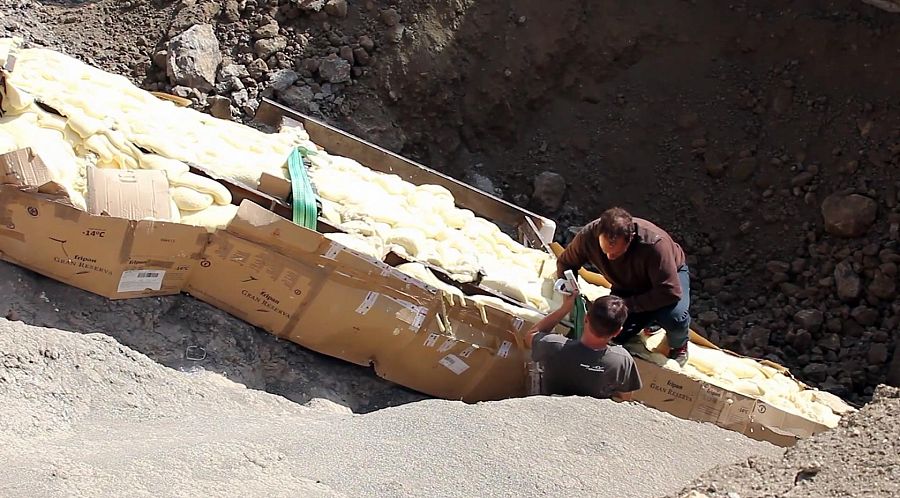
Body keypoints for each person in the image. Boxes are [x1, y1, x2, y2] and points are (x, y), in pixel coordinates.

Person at [556, 207, 692, 366]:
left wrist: (628, 306)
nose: (609, 258)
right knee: (610, 332)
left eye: (615, 254)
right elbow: (565, 262)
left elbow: (670, 292)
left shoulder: (655, 245)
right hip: (626, 285)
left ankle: (679, 345)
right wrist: (570, 288)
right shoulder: (588, 236)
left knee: (674, 318)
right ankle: (646, 320)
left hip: (666, 283)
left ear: (630, 238)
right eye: (605, 252)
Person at [524, 291, 642, 400]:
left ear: (586, 318)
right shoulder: (622, 360)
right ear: (617, 332)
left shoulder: (553, 345)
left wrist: (565, 308)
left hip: (546, 412)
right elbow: (625, 398)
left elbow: (530, 336)